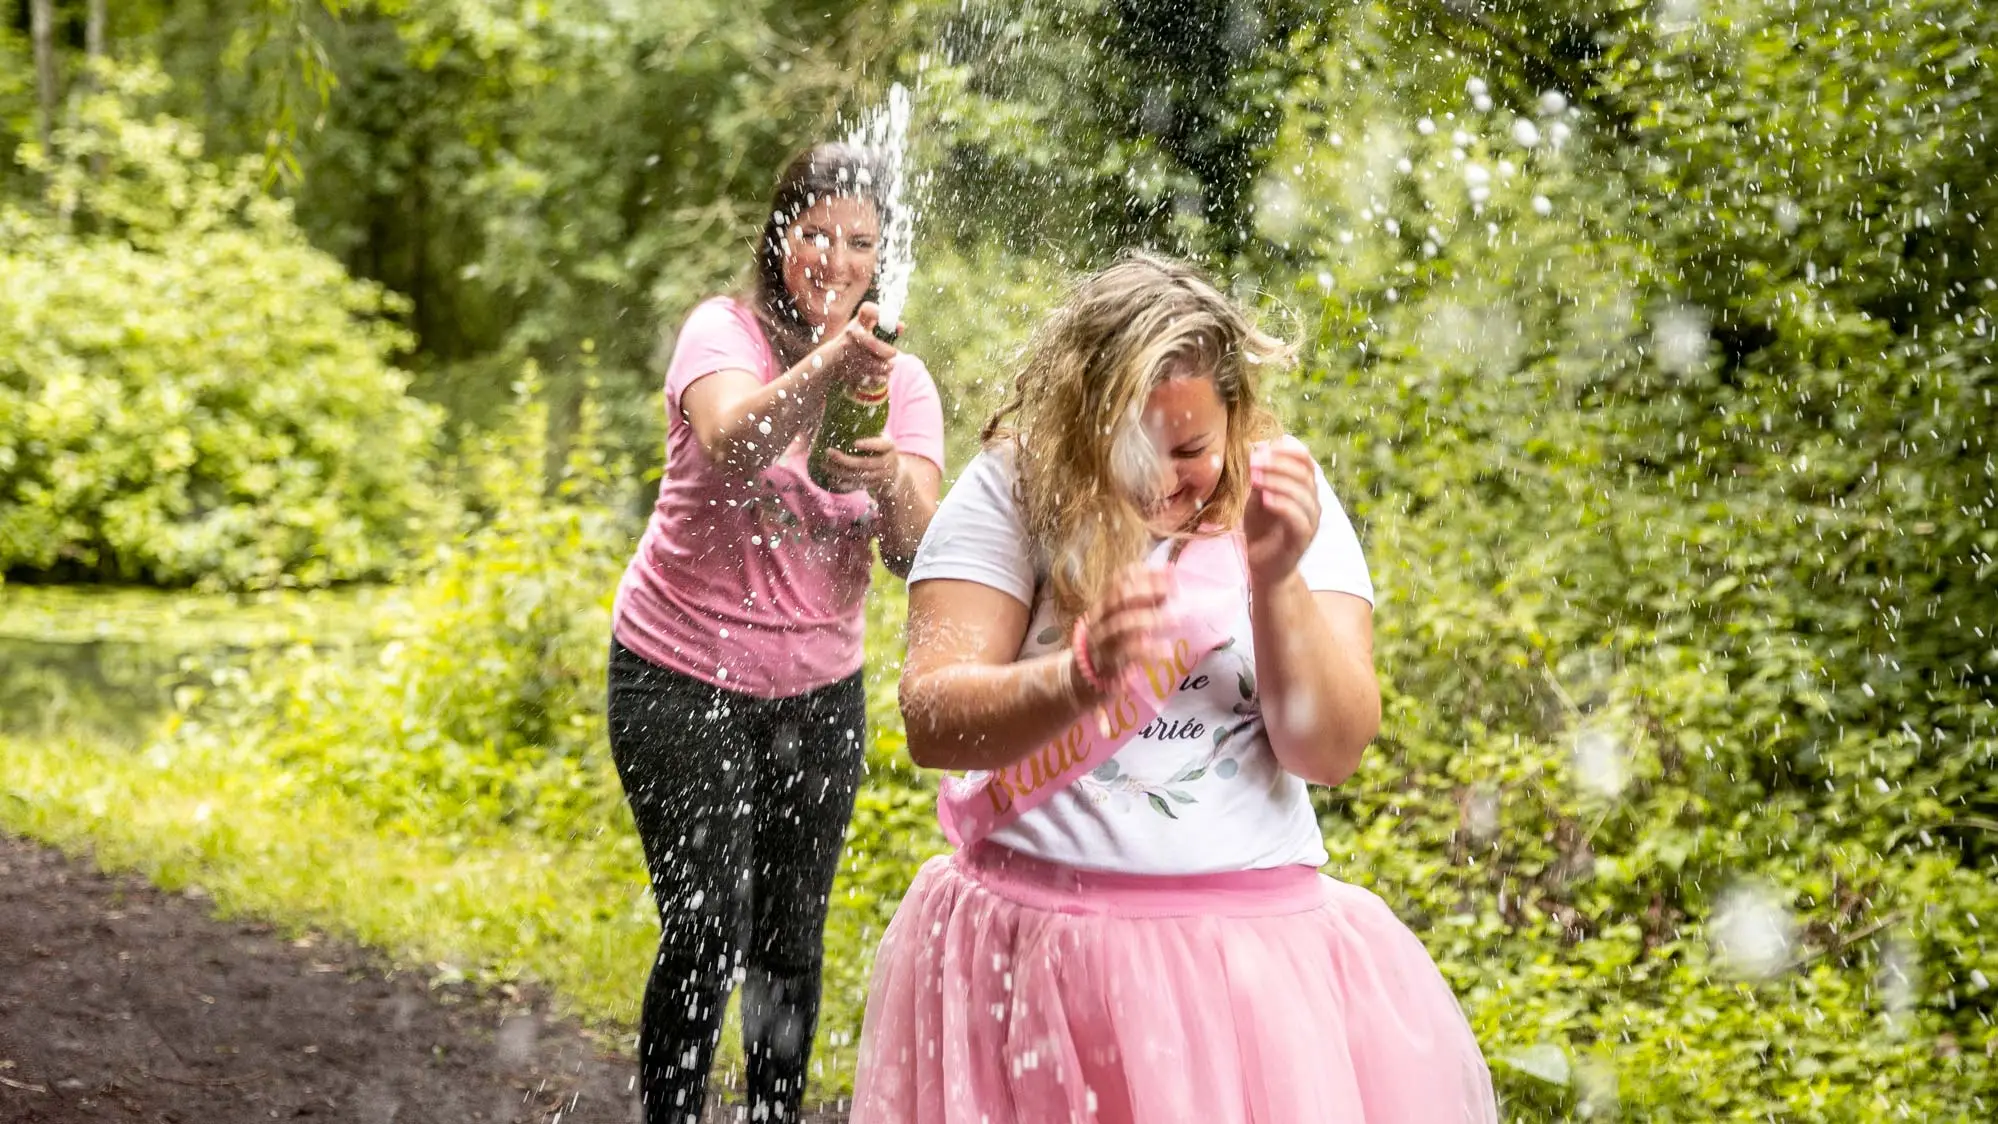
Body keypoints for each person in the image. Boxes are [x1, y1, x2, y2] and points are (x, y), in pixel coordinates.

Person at [851, 253, 1497, 1122]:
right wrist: (1077, 682)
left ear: (1236, 418)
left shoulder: (1286, 493)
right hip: (1028, 956)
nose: (1162, 480)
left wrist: (1275, 576)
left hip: (1245, 978)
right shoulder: (1012, 487)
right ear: (1081, 418)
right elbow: (932, 721)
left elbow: (1330, 751)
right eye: (1132, 448)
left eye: (1192, 448)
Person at [607, 143, 944, 1124]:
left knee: (791, 941)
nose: (834, 258)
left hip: (818, 693)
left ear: (880, 256)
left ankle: (773, 1114)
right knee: (707, 928)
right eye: (816, 234)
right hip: (675, 675)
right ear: (780, 235)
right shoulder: (725, 332)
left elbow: (915, 552)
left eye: (859, 242)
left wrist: (886, 476)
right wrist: (833, 362)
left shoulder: (901, 382)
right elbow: (734, 440)